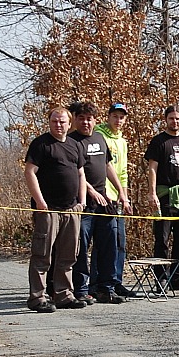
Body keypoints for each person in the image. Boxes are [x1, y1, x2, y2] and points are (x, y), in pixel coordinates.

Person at [24, 107, 88, 313]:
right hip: (48, 209)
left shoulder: (74, 145)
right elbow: (30, 172)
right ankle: (37, 298)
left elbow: (80, 174)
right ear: (49, 122)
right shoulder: (41, 144)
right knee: (42, 255)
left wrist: (82, 202)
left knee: (69, 255)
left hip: (72, 209)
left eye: (62, 122)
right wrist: (40, 202)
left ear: (69, 124)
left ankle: (63, 295)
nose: (58, 125)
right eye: (54, 121)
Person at [68, 101, 129, 305]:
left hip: (105, 200)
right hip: (84, 202)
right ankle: (82, 288)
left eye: (89, 118)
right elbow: (78, 173)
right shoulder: (71, 141)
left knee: (109, 243)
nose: (86, 122)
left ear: (95, 120)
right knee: (82, 246)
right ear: (74, 119)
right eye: (81, 118)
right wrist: (91, 192)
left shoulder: (100, 138)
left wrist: (121, 192)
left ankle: (106, 288)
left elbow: (108, 165)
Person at [145, 104, 179, 291]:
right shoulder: (159, 141)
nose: (174, 121)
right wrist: (152, 193)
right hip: (166, 195)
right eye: (171, 118)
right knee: (162, 238)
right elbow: (152, 168)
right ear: (165, 120)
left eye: (177, 118)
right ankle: (160, 278)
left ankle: (177, 277)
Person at [93, 102, 137, 299]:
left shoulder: (122, 141)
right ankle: (97, 283)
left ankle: (116, 281)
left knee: (120, 241)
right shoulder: (99, 135)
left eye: (122, 117)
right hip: (103, 196)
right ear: (108, 116)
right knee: (104, 242)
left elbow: (123, 172)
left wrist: (124, 196)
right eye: (115, 116)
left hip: (118, 197)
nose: (118, 121)